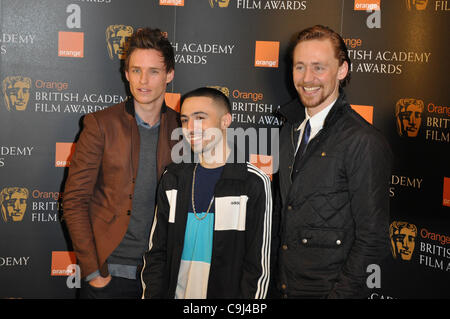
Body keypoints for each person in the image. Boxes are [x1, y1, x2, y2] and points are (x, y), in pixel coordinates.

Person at [273, 25, 392, 298]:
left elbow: (373, 240)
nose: (307, 78)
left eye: (319, 67)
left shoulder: (363, 141)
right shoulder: (289, 130)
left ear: (342, 71)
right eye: (299, 67)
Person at [63, 27, 179, 299]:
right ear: (126, 74)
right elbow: (75, 199)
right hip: (109, 275)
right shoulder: (100, 125)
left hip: (161, 276)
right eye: (136, 70)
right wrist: (93, 273)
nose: (143, 80)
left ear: (169, 75)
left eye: (154, 71)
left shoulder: (183, 128)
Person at [141, 87, 272, 299]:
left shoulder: (253, 182)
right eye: (184, 120)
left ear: (225, 121)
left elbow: (258, 267)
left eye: (200, 118)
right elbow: (157, 254)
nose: (191, 128)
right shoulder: (172, 178)